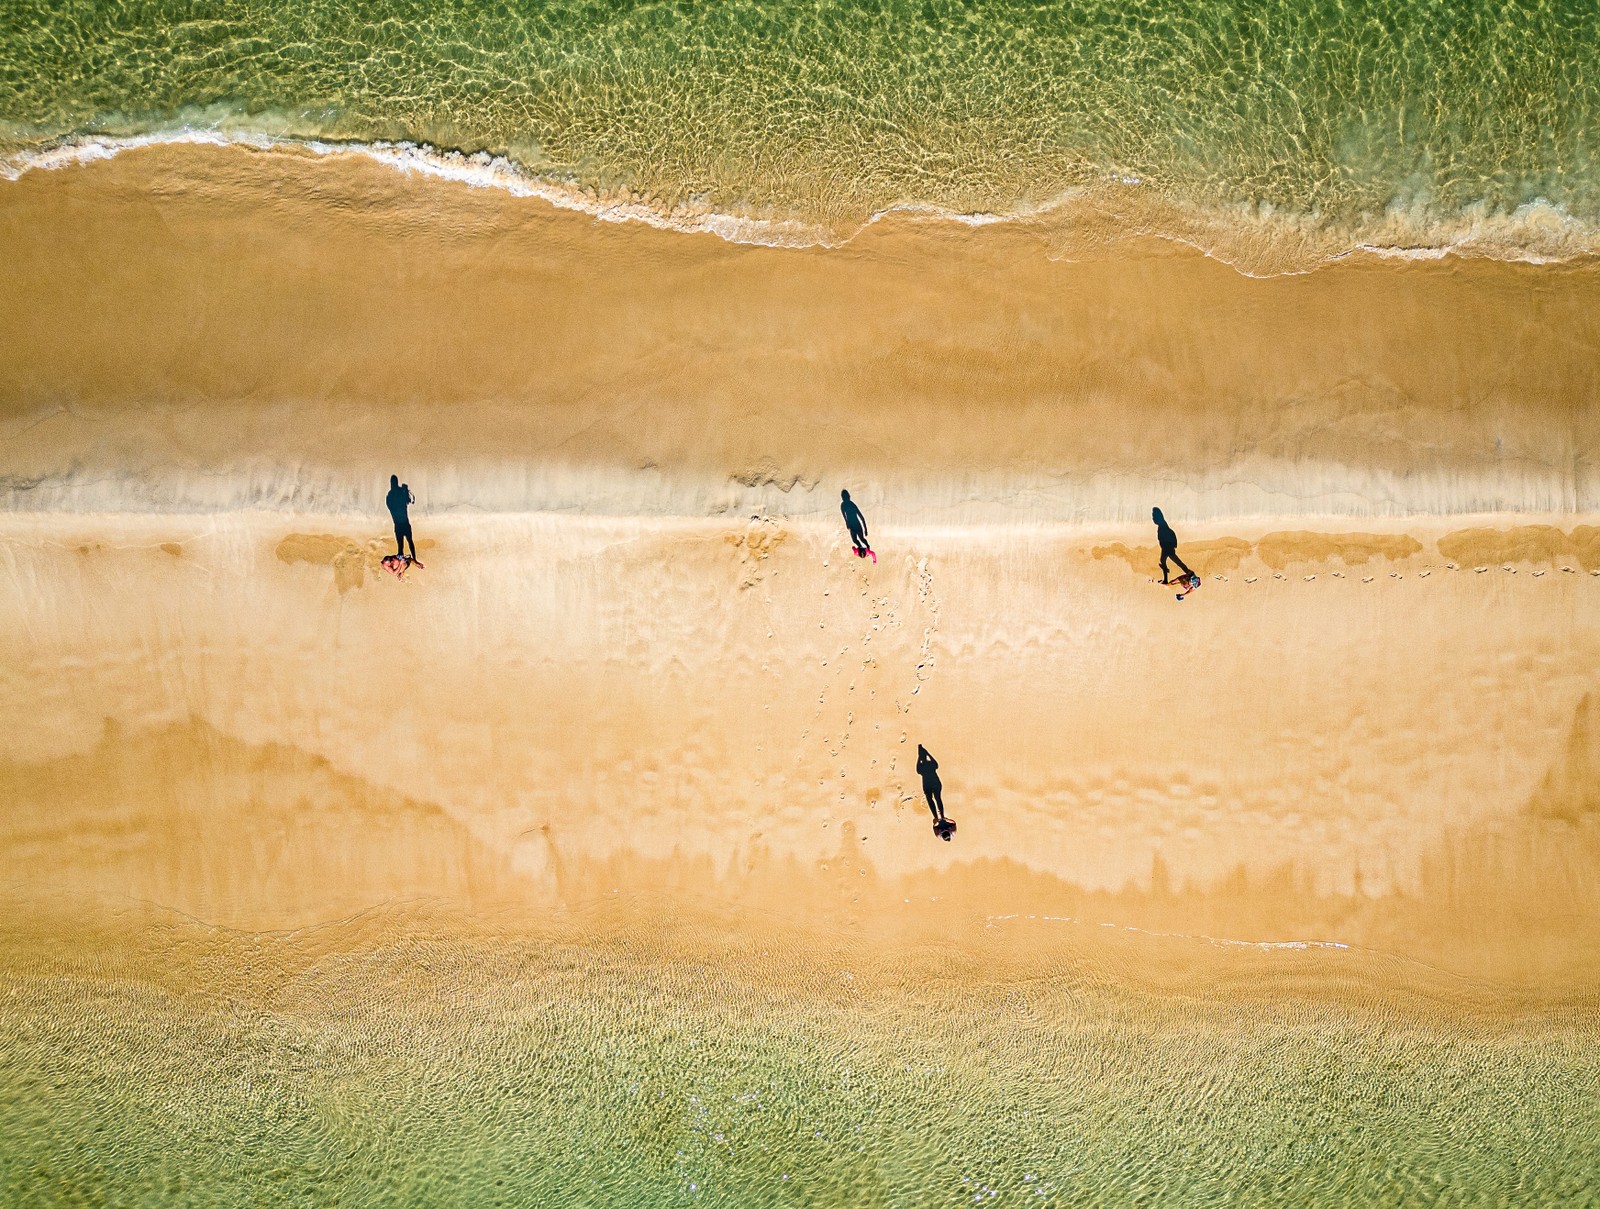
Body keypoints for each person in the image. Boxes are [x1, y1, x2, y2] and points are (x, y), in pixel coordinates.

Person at [1152, 506, 1194, 586]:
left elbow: (1165, 537)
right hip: (1168, 549)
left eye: (1154, 517)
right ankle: (1190, 574)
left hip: (1166, 549)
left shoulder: (1162, 527)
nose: (1153, 519)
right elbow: (1172, 537)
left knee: (1168, 562)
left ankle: (1166, 579)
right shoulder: (1164, 527)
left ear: (1158, 518)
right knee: (1176, 563)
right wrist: (1172, 546)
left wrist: (1167, 546)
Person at [917, 744, 952, 839]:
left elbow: (934, 827)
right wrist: (946, 819)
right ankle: (942, 814)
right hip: (935, 782)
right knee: (937, 798)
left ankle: (936, 815)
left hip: (926, 782)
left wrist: (935, 822)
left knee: (929, 798)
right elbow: (954, 823)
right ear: (948, 831)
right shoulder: (953, 832)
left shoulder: (938, 835)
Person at [386, 474, 418, 563]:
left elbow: (390, 506)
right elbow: (408, 501)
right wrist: (405, 491)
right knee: (409, 542)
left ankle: (402, 566)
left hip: (398, 523)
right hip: (404, 522)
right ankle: (414, 559)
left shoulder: (390, 495)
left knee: (401, 546)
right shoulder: (400, 492)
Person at [840, 489, 873, 561]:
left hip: (856, 525)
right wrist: (847, 523)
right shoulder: (845, 505)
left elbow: (861, 517)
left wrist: (865, 529)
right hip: (853, 525)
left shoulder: (849, 505)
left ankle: (867, 546)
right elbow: (844, 516)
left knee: (860, 539)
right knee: (855, 540)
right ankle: (861, 547)